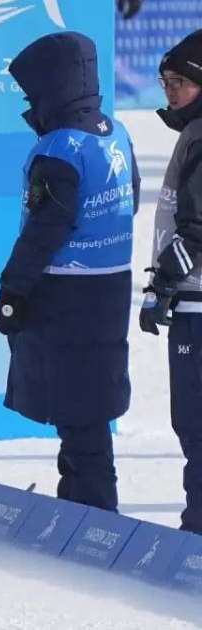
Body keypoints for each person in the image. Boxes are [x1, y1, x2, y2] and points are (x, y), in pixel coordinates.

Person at [0, 32, 137, 513]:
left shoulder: (59, 149)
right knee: (88, 406)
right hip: (110, 288)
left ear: (52, 88)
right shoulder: (116, 133)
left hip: (66, 296)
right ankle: (77, 499)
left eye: (31, 94)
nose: (29, 104)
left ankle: (95, 511)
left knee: (77, 410)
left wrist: (12, 289)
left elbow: (44, 228)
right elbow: (132, 197)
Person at [139, 29, 202, 533]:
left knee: (196, 424)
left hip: (198, 303)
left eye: (179, 81)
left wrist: (163, 282)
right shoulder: (193, 131)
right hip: (190, 299)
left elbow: (196, 228)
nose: (170, 91)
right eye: (164, 82)